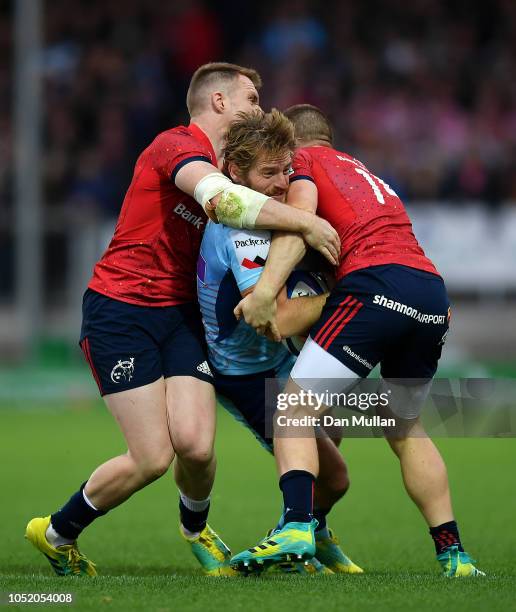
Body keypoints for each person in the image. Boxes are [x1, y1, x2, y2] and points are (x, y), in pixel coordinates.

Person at [25, 68, 340, 578]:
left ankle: (196, 530)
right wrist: (307, 221)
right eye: (251, 98)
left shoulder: (232, 164)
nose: (260, 108)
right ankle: (57, 532)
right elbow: (223, 202)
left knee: (194, 445)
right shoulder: (176, 146)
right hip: (121, 311)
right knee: (152, 457)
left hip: (180, 315)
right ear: (218, 100)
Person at [230, 104, 484, 577]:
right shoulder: (370, 177)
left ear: (296, 145)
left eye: (284, 163)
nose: (284, 175)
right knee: (407, 430)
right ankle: (454, 554)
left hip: (375, 287)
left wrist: (266, 292)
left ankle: (296, 527)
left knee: (291, 409)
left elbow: (301, 221)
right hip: (429, 292)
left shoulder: (305, 163)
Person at [198, 109, 362, 574]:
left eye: (286, 170)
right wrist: (357, 299)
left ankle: (306, 533)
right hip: (248, 372)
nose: (279, 183)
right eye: (268, 172)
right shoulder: (242, 230)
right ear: (235, 173)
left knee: (334, 428)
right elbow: (278, 320)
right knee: (335, 477)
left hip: (280, 364)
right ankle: (294, 537)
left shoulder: (277, 213)